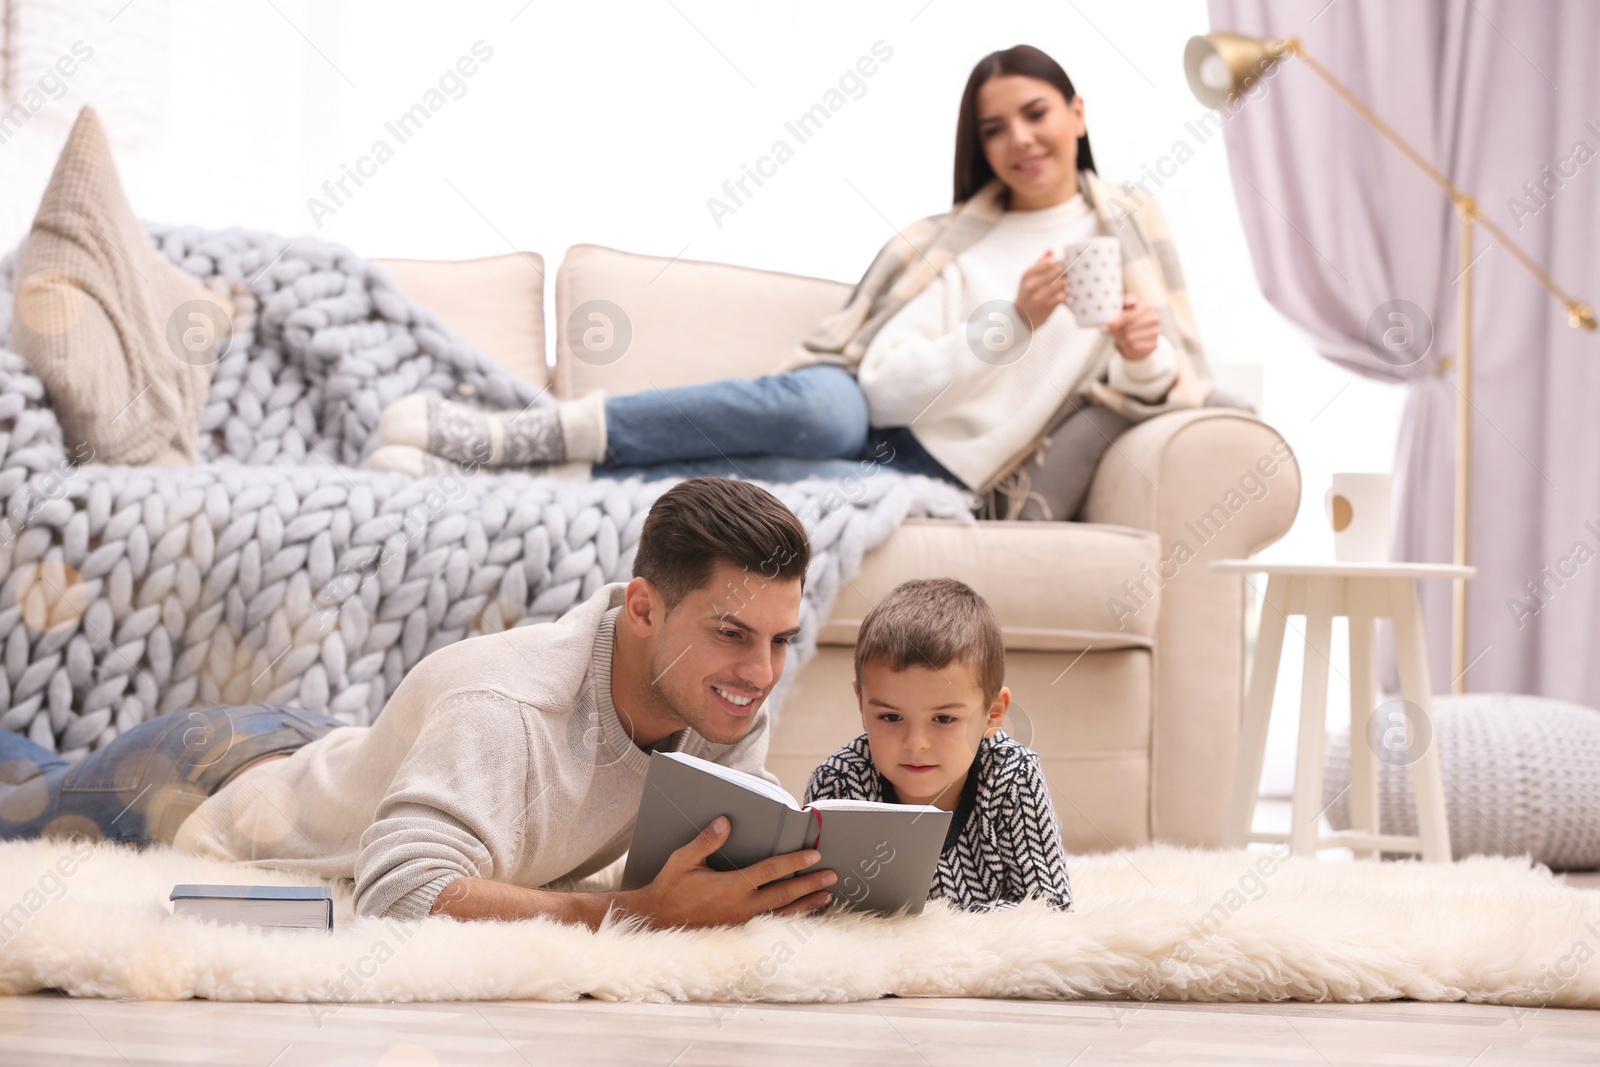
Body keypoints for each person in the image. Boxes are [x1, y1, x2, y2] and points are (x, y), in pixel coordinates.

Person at [369, 44, 1210, 512]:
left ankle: (487, 475)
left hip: (934, 480)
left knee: (756, 483)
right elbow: (880, 391)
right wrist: (1011, 323)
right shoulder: (948, 244)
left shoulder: (1128, 234)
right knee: (821, 404)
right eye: (995, 128)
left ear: (1077, 114)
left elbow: (1153, 386)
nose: (1021, 140)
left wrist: (1140, 349)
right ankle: (530, 431)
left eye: (1036, 114)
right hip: (868, 418)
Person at [0, 477, 838, 928]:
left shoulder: (724, 700)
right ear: (646, 607)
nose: (761, 673)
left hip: (350, 751)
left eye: (780, 639)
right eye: (733, 633)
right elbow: (399, 891)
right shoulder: (505, 703)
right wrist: (638, 915)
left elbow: (691, 867)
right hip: (213, 773)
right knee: (23, 794)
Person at [803, 577, 1072, 911]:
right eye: (890, 717)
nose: (916, 744)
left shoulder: (1013, 775)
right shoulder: (839, 782)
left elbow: (1051, 909)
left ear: (993, 714)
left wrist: (932, 927)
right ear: (861, 703)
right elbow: (815, 911)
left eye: (944, 719)